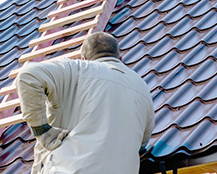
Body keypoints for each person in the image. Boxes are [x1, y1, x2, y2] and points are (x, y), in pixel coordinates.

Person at [16, 32, 155, 174]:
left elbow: (28, 76)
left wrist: (42, 131)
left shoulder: (78, 70)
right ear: (120, 58)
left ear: (84, 59)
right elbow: (141, 143)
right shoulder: (142, 88)